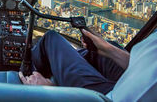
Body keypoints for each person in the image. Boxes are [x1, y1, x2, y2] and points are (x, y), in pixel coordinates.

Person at [18, 29, 157, 101]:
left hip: (108, 97)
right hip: (132, 82)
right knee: (98, 51)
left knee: (51, 39)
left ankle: (26, 76)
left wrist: (52, 92)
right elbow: (146, 64)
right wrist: (108, 49)